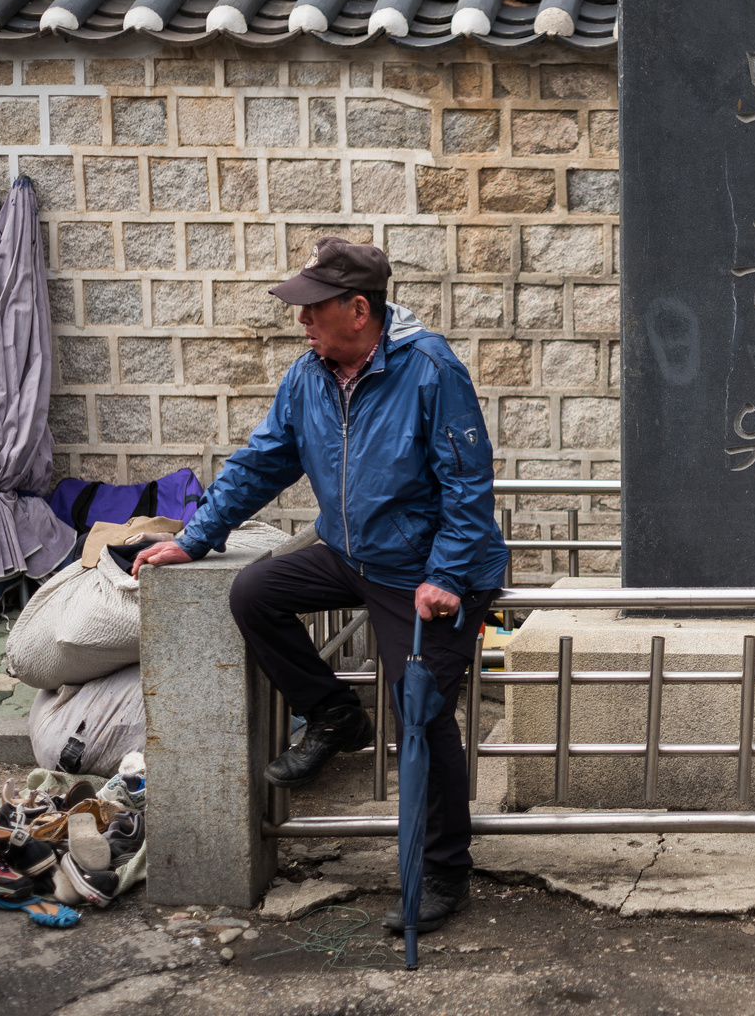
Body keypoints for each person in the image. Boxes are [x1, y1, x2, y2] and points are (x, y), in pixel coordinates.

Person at [132, 237, 508, 931]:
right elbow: (263, 460)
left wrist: (448, 576)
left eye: (313, 310)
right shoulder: (311, 374)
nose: (301, 323)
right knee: (255, 594)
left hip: (427, 574)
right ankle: (336, 715)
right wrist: (193, 537)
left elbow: (467, 484)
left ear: (358, 310)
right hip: (354, 555)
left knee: (420, 716)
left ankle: (444, 874)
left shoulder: (430, 370)